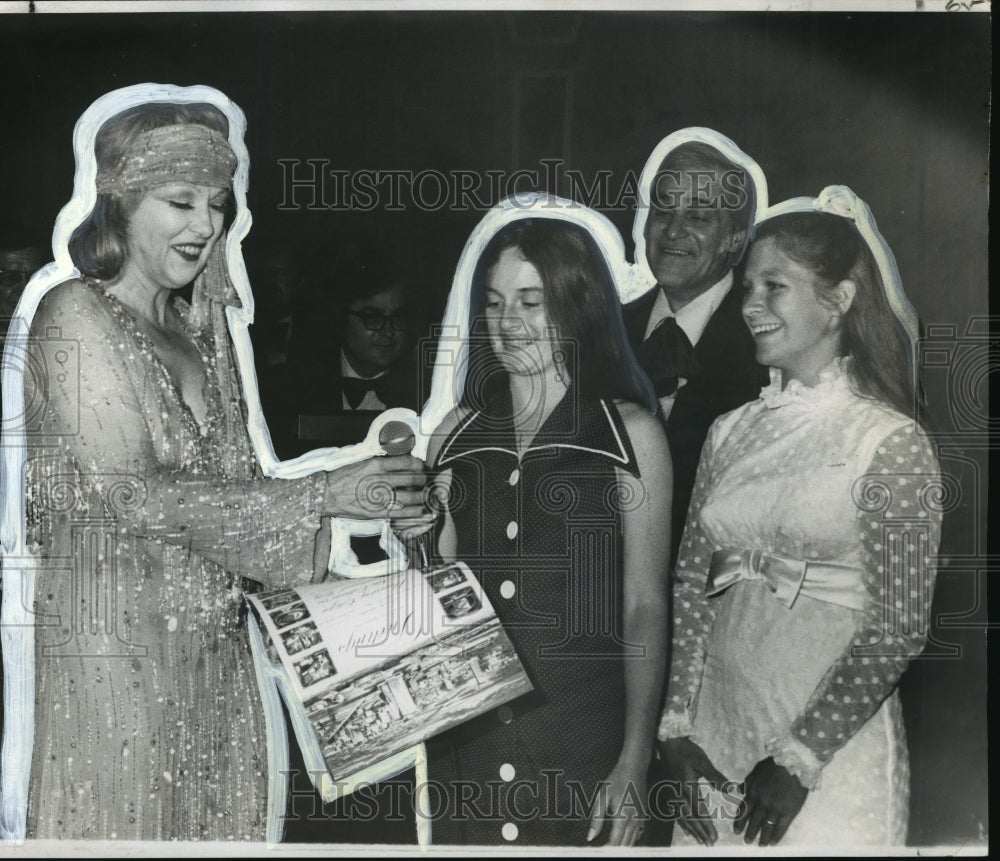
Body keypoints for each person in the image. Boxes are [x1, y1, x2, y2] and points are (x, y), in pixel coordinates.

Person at [0, 87, 427, 842]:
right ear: (121, 203)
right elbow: (138, 494)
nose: (208, 224)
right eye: (181, 201)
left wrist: (369, 504)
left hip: (217, 673)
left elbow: (237, 500)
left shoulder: (205, 333)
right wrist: (323, 491)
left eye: (219, 203)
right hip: (115, 674)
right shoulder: (74, 314)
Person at [656, 187, 941, 848]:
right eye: (748, 286)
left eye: (774, 286)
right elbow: (691, 587)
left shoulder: (889, 442)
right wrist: (674, 728)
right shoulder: (729, 432)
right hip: (715, 741)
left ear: (839, 299)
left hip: (827, 759)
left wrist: (796, 761)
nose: (749, 304)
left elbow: (898, 628)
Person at [425, 210, 672, 846]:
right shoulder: (454, 435)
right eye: (495, 303)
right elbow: (439, 595)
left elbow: (645, 607)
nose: (509, 324)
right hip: (470, 750)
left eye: (531, 302)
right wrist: (421, 535)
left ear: (574, 305)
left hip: (583, 744)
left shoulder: (628, 434)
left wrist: (635, 760)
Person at [624, 130, 770, 566]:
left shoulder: (769, 345)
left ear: (733, 238)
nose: (673, 230)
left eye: (699, 217)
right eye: (664, 209)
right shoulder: (600, 330)